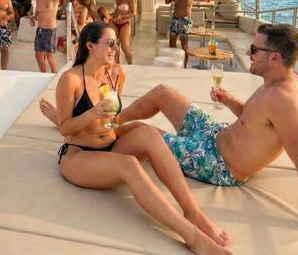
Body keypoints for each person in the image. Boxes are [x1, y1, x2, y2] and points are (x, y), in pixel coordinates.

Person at [119, 23, 298, 247]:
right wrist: (230, 101)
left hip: (218, 164)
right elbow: (252, 120)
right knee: (162, 93)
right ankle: (111, 121)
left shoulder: (285, 101)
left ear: (274, 58)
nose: (248, 53)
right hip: (215, 134)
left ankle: (101, 139)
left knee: (140, 131)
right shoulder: (274, 83)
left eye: (254, 49)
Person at [55, 22, 230, 254]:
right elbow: (65, 128)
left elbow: (112, 120)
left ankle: (193, 212)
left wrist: (118, 125)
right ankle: (191, 236)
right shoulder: (71, 79)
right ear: (90, 46)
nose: (116, 48)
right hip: (79, 155)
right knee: (129, 164)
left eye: (117, 43)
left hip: (110, 147)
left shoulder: (116, 73)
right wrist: (92, 113)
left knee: (149, 133)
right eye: (110, 43)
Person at [29, 0, 62, 73]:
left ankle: (55, 77)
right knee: (38, 55)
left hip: (50, 30)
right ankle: (43, 75)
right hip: (40, 29)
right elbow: (38, 9)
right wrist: (34, 17)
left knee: (49, 56)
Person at [103, 0, 136, 64]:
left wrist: (122, 16)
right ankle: (117, 65)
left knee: (125, 48)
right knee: (113, 46)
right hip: (113, 23)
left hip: (124, 24)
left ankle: (130, 65)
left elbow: (134, 13)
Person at [165, 0, 194, 67]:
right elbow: (167, 1)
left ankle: (184, 66)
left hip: (185, 21)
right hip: (175, 19)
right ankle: (174, 63)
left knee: (184, 45)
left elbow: (186, 3)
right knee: (171, 42)